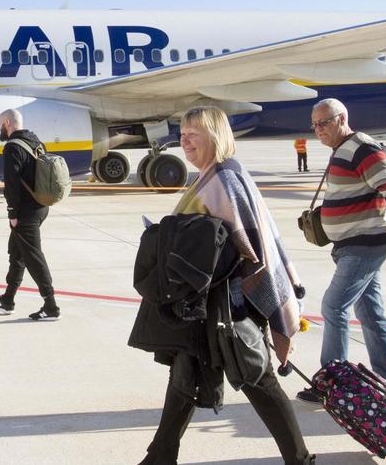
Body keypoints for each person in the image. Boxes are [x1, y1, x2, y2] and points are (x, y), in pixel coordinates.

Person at [134, 105, 312, 465]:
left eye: (193, 135)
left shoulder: (225, 179)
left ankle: (300, 459)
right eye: (182, 135)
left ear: (214, 136)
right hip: (201, 301)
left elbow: (252, 249)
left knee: (257, 378)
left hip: (226, 304)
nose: (184, 141)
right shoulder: (210, 175)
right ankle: (160, 456)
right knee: (184, 373)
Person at [297, 98, 386, 404]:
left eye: (324, 123)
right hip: (351, 245)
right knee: (370, 313)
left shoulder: (363, 147)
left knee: (333, 307)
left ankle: (331, 382)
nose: (318, 130)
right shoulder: (342, 150)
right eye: (314, 125)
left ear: (342, 118)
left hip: (365, 244)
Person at [0, 108, 60, 321]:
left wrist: (12, 213)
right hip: (40, 206)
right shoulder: (36, 142)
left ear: (7, 122)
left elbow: (12, 184)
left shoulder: (12, 147)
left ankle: (51, 305)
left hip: (25, 212)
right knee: (17, 253)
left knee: (33, 257)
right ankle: (7, 299)